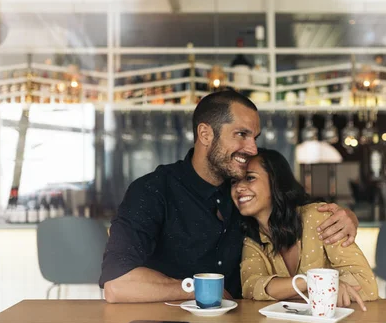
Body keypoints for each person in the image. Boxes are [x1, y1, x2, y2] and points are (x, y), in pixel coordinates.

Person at [100, 90, 360, 303]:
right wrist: (196, 289)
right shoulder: (153, 190)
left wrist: (346, 216)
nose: (253, 148)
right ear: (205, 134)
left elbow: (294, 207)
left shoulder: (244, 193)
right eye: (241, 134)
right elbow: (117, 284)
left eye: (254, 137)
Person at [236, 148, 378, 310]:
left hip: (353, 322)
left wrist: (285, 290)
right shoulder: (253, 240)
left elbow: (366, 285)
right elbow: (251, 287)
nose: (239, 187)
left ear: (276, 181)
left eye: (250, 178)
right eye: (234, 181)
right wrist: (313, 282)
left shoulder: (317, 216)